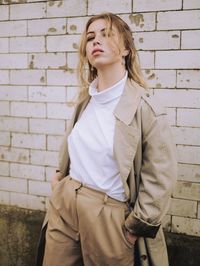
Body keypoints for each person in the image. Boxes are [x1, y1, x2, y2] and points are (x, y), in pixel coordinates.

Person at [36, 12, 177, 266]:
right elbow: (75, 143)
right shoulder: (85, 99)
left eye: (106, 34)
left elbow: (160, 174)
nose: (95, 41)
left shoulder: (145, 107)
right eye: (90, 37)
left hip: (109, 215)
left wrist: (136, 227)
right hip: (65, 206)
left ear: (125, 49)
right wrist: (59, 178)